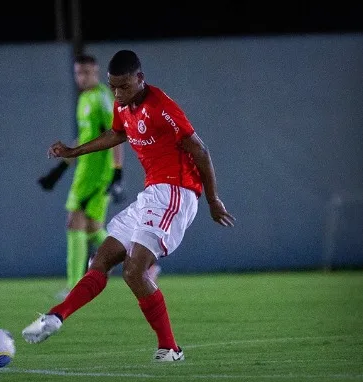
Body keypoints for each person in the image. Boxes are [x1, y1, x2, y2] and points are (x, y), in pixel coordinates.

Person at [24, 50, 235, 362]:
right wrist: (73, 150)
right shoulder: (122, 107)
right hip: (151, 195)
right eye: (113, 87)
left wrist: (213, 200)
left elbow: (201, 151)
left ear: (140, 78)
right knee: (100, 259)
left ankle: (170, 348)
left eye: (123, 86)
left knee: (134, 271)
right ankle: (55, 317)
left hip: (177, 191)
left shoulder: (161, 107)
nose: (118, 94)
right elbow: (115, 135)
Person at [37, 54, 160, 300]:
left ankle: (74, 287)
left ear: (96, 71)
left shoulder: (104, 97)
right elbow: (84, 138)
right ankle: (146, 265)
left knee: (74, 222)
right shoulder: (84, 99)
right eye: (78, 73)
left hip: (97, 174)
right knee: (92, 227)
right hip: (84, 171)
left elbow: (115, 135)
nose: (81, 78)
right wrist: (59, 170)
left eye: (86, 72)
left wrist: (116, 173)